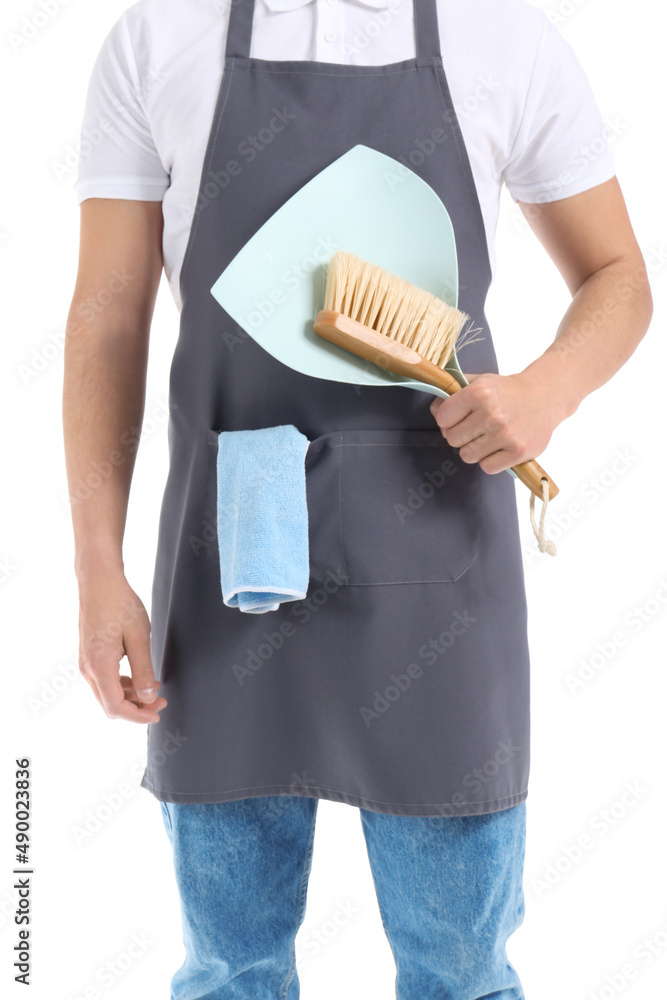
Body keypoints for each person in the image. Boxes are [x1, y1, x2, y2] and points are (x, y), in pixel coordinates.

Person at [63, 1, 652, 997]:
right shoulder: (158, 36)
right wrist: (95, 566)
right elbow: (107, 316)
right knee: (230, 967)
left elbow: (619, 274)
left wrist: (550, 388)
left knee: (461, 972)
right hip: (228, 568)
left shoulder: (501, 37)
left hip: (440, 567)